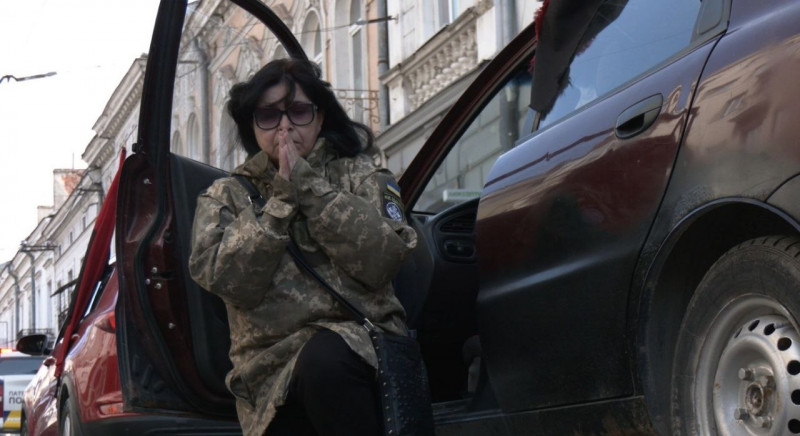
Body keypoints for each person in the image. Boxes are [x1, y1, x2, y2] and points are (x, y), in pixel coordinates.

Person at [188, 58, 417, 436]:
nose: (285, 127)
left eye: (298, 112)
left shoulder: (360, 175)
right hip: (269, 372)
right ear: (252, 126)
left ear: (319, 119)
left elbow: (383, 257)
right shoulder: (225, 196)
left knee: (325, 360)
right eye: (268, 116)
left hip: (364, 351)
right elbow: (228, 281)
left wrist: (309, 188)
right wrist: (280, 202)